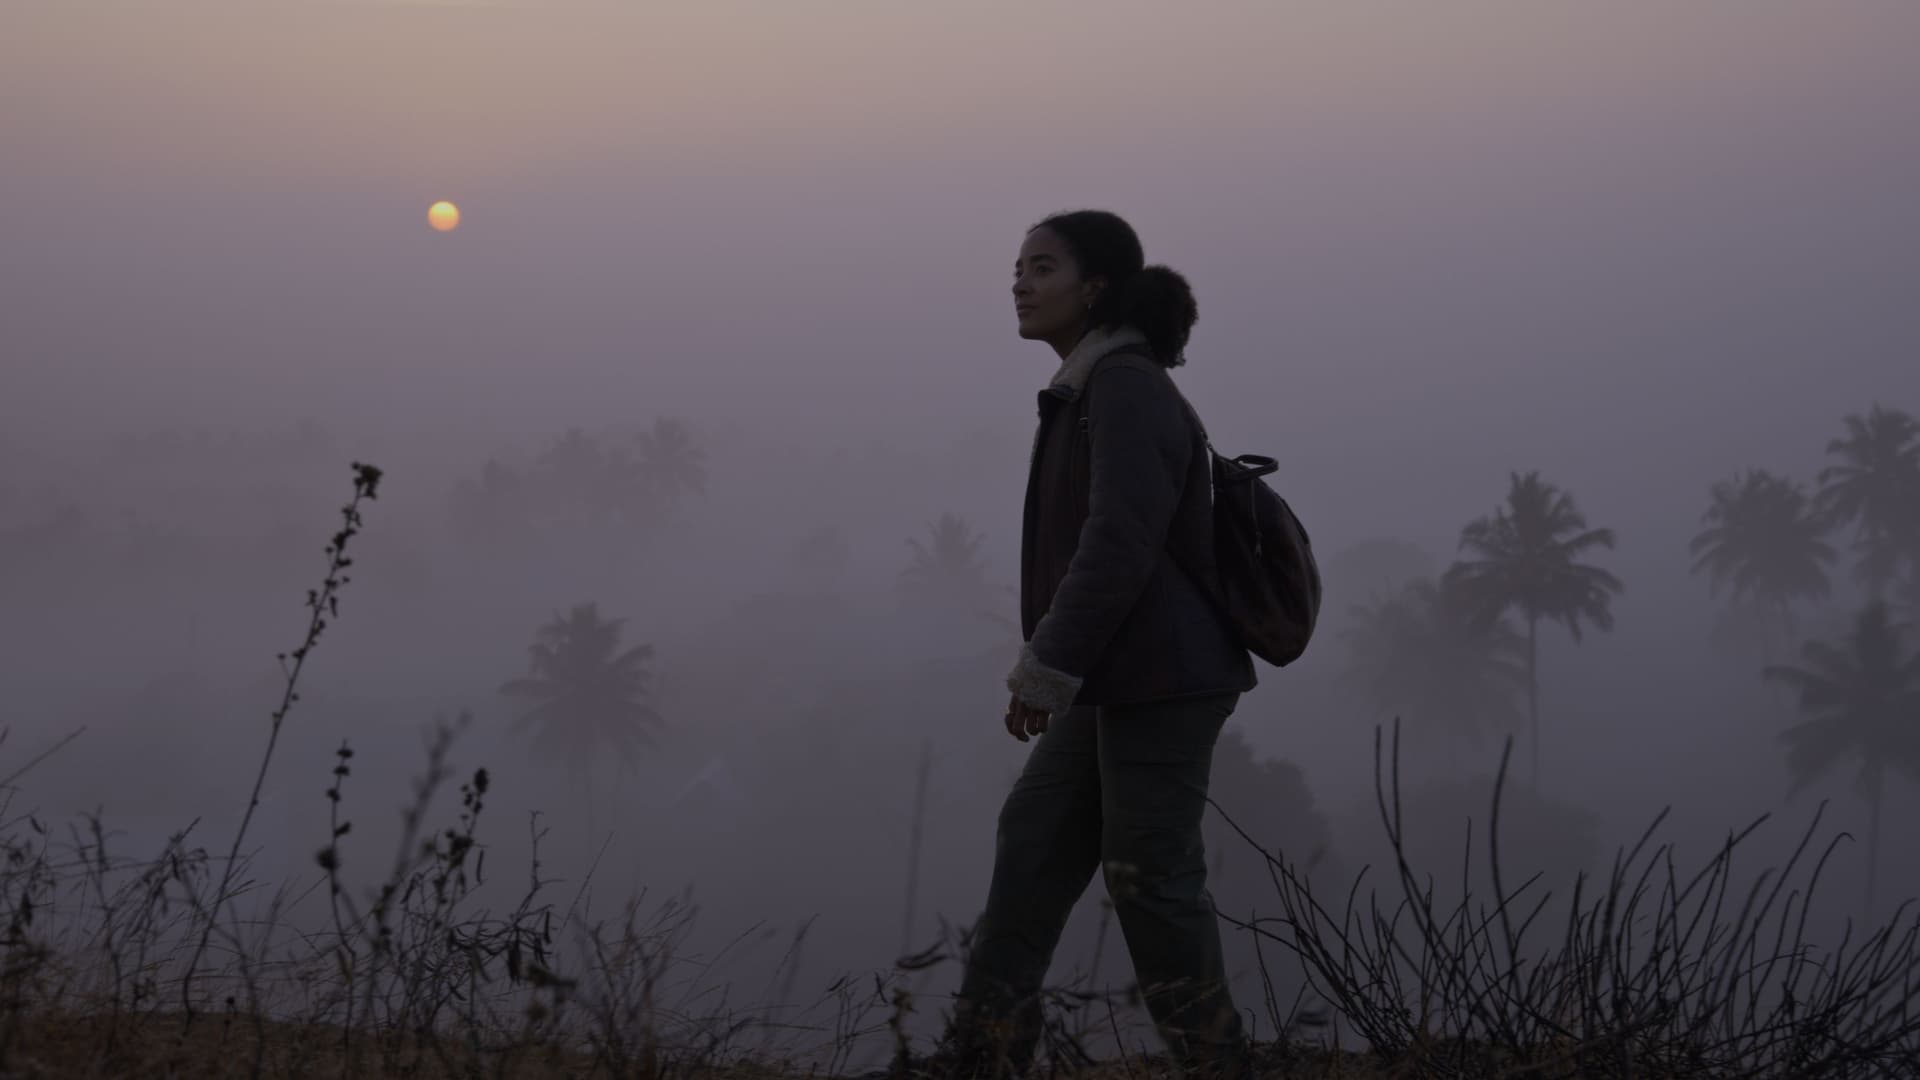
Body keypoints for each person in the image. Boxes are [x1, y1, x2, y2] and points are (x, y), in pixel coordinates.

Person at [929, 210, 1260, 1079]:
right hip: (1118, 672)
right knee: (1035, 834)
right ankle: (983, 1054)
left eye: (1043, 267)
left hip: (1162, 676)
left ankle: (1216, 1064)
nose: (1020, 283)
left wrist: (1046, 669)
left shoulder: (1123, 385)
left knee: (1150, 878)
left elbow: (1119, 542)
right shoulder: (1091, 385)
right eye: (1018, 267)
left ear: (1097, 289)